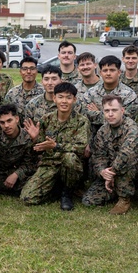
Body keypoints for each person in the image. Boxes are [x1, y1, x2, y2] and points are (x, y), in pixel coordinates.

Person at [20, 82, 91, 211]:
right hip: (49, 164)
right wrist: (35, 138)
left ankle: (67, 192)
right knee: (27, 198)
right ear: (54, 98)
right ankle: (55, 188)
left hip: (71, 165)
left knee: (69, 158)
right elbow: (38, 148)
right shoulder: (46, 119)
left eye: (68, 97)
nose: (64, 101)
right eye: (60, 97)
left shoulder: (82, 121)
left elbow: (81, 147)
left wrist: (56, 146)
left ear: (74, 100)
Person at [82, 95, 138, 214]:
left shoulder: (131, 128)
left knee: (126, 162)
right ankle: (123, 191)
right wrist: (103, 172)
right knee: (89, 200)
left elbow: (126, 155)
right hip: (111, 172)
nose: (110, 114)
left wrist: (112, 173)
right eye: (106, 111)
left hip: (135, 170)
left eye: (114, 110)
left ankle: (124, 198)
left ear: (122, 110)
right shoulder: (103, 130)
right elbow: (98, 156)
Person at [79, 55, 138, 133]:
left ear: (119, 72)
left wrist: (98, 113)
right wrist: (114, 116)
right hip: (94, 138)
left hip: (119, 137)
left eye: (112, 70)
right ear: (100, 73)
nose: (108, 73)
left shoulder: (129, 95)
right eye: (105, 70)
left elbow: (125, 121)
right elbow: (85, 117)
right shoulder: (90, 93)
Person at [23, 64, 87, 125]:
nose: (50, 83)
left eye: (54, 79)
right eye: (46, 79)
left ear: (61, 81)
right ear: (42, 82)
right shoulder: (33, 105)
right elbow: (27, 130)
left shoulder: (74, 104)